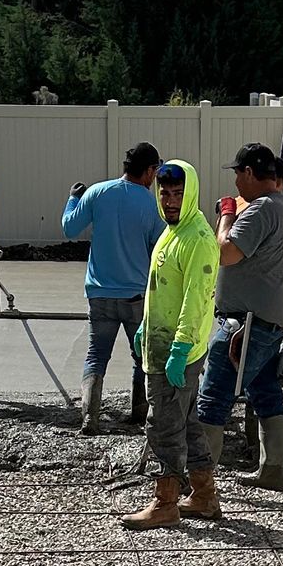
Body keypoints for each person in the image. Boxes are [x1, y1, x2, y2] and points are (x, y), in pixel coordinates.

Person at [199, 141, 283, 491]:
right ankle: (273, 470)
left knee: (212, 397)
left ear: (248, 173)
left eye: (237, 174)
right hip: (266, 321)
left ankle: (200, 485)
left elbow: (226, 252)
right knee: (265, 391)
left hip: (246, 325)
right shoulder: (282, 206)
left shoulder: (260, 210)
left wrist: (226, 214)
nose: (236, 184)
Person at [123, 161, 219, 532]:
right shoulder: (171, 233)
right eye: (165, 193)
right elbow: (162, 290)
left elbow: (196, 300)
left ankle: (165, 502)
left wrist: (179, 348)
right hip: (161, 345)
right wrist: (147, 326)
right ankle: (204, 495)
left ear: (191, 192)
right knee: (187, 422)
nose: (171, 200)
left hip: (177, 351)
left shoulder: (197, 239)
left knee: (162, 423)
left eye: (178, 193)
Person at [62, 142, 164, 435]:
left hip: (99, 293)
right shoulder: (150, 204)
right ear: (147, 171)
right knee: (142, 356)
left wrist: (72, 199)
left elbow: (69, 228)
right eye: (155, 170)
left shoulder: (97, 192)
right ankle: (140, 413)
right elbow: (158, 248)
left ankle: (89, 417)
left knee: (96, 354)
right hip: (135, 295)